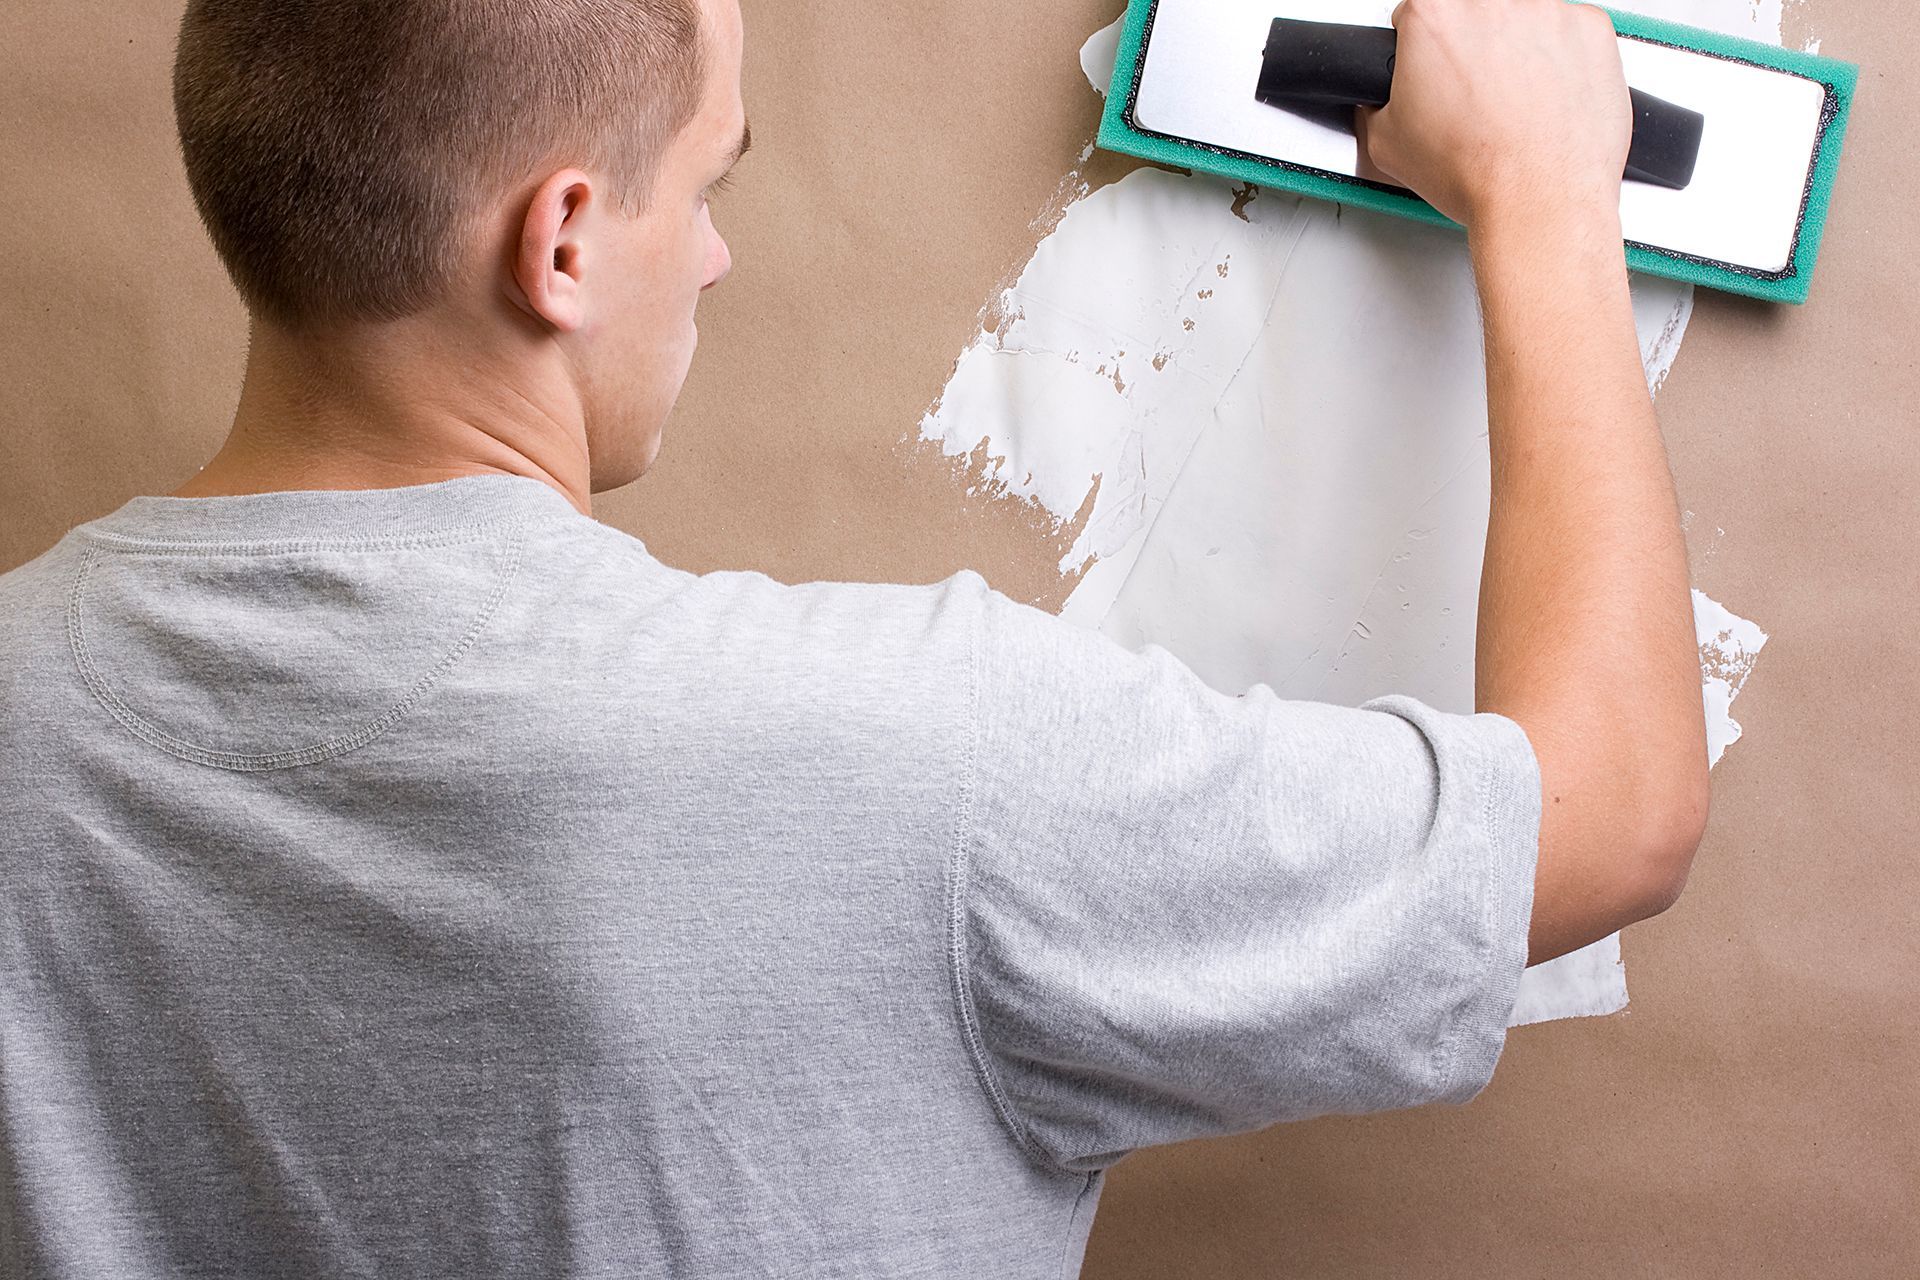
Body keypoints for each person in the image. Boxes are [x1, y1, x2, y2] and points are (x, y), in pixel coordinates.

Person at [0, 0, 1709, 1273]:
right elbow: (1608, 813)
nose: (719, 256)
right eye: (705, 182)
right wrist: (1545, 193)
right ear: (565, 242)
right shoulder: (922, 766)